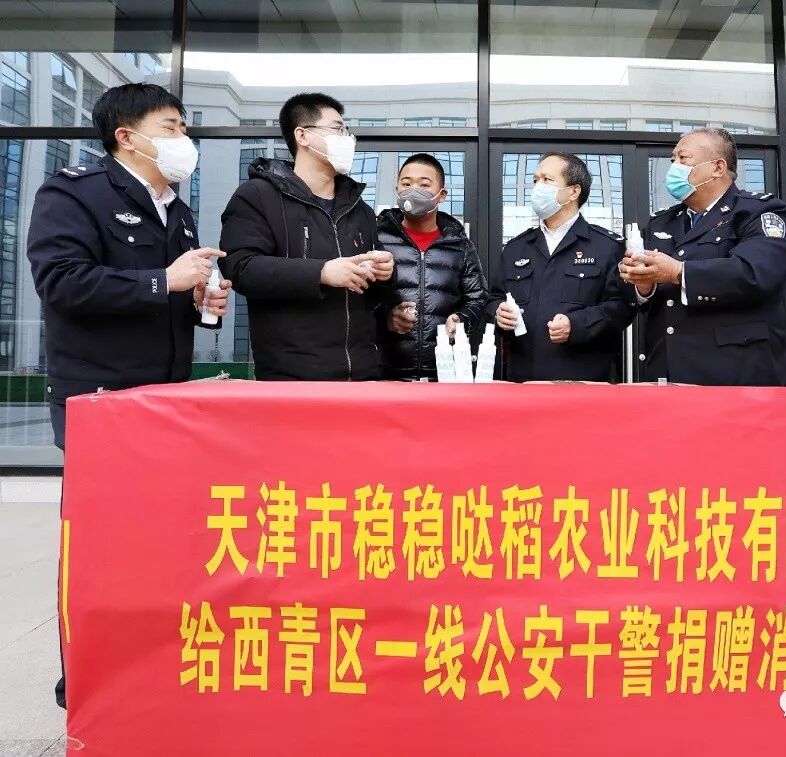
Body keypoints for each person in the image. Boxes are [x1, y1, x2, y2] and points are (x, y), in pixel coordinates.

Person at [26, 82, 230, 709]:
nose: (184, 139)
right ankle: (86, 680)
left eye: (184, 127)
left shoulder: (177, 209)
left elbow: (169, 294)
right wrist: (163, 280)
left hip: (164, 400)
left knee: (160, 540)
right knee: (101, 544)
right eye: (172, 127)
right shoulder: (74, 193)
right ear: (127, 136)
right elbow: (61, 282)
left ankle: (153, 665)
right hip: (101, 400)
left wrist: (201, 301)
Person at [218, 92, 395, 380]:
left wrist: (384, 273)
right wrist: (321, 272)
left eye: (347, 131)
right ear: (302, 136)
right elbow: (241, 267)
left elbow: (374, 297)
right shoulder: (258, 196)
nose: (347, 139)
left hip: (362, 375)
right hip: (293, 377)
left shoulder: (358, 207)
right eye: (337, 129)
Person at [619, 128, 786, 385]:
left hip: (735, 375)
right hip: (667, 373)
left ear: (717, 167)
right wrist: (644, 285)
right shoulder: (661, 222)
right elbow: (638, 298)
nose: (674, 167)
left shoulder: (758, 212)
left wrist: (679, 272)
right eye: (673, 160)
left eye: (683, 158)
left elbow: (755, 273)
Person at [487, 152, 634, 381]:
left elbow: (622, 307)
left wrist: (577, 325)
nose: (538, 187)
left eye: (547, 180)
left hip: (583, 381)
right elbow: (494, 298)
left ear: (573, 191)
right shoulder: (517, 248)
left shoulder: (607, 247)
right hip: (523, 381)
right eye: (535, 180)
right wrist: (499, 313)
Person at [380, 154, 487, 380]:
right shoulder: (377, 239)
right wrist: (386, 318)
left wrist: (461, 320)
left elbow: (477, 297)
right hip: (385, 372)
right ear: (397, 189)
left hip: (445, 374)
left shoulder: (459, 244)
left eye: (424, 185)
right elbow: (358, 299)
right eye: (406, 184)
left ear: (442, 195)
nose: (413, 190)